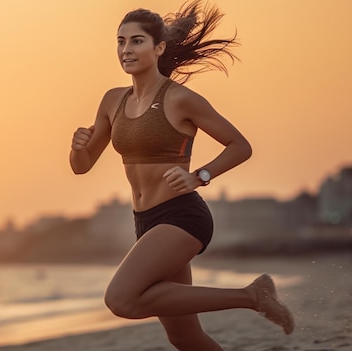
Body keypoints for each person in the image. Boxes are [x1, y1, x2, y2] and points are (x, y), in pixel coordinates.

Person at [69, 1, 294, 349]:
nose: (126, 49)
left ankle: (253, 296)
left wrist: (200, 175)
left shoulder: (179, 99)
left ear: (159, 48)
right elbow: (81, 166)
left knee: (121, 299)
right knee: (185, 337)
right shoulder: (112, 101)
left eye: (137, 41)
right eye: (121, 41)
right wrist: (78, 146)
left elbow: (240, 145)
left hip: (181, 218)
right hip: (145, 222)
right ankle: (252, 297)